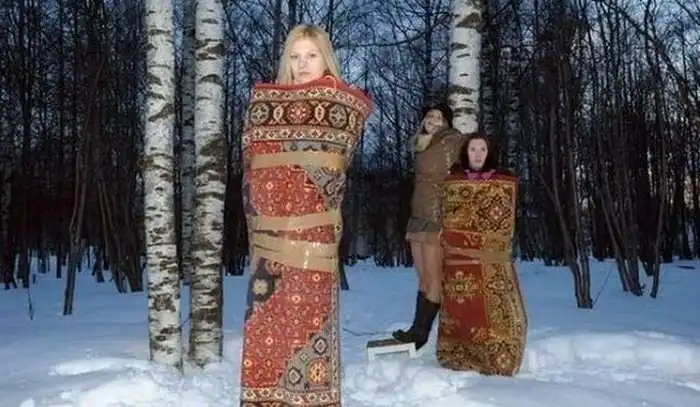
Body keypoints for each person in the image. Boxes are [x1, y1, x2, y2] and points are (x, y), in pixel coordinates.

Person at [239, 24, 373, 407]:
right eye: (295, 56)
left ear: (325, 58)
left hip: (313, 243)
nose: (302, 64)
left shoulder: (337, 110)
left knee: (308, 330)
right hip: (269, 242)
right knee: (265, 334)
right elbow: (251, 168)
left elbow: (334, 163)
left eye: (311, 55)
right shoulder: (266, 111)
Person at [435, 132, 528, 376]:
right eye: (473, 149)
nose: (477, 154)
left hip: (492, 262)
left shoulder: (501, 181)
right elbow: (447, 218)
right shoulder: (453, 182)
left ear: (489, 153)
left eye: (482, 149)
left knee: (497, 313)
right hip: (459, 262)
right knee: (464, 312)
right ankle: (460, 354)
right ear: (465, 153)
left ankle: (497, 357)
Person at [392, 103, 464, 350]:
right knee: (423, 277)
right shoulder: (423, 143)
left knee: (434, 277)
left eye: (438, 117)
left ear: (447, 122)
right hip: (419, 213)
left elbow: (455, 179)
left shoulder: (450, 141)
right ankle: (416, 329)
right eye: (429, 116)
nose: (432, 120)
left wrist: (447, 218)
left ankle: (421, 334)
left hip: (436, 216)